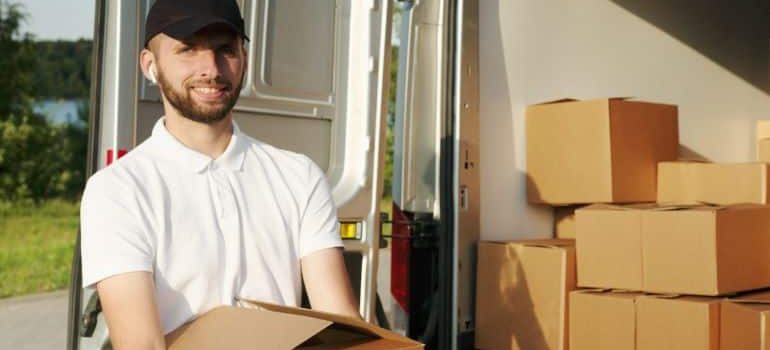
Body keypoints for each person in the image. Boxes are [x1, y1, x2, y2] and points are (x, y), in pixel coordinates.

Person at [79, 0, 360, 348]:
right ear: (150, 65)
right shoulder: (118, 190)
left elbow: (342, 324)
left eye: (225, 49)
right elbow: (141, 345)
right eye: (187, 50)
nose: (210, 68)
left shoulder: (299, 176)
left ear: (244, 58)